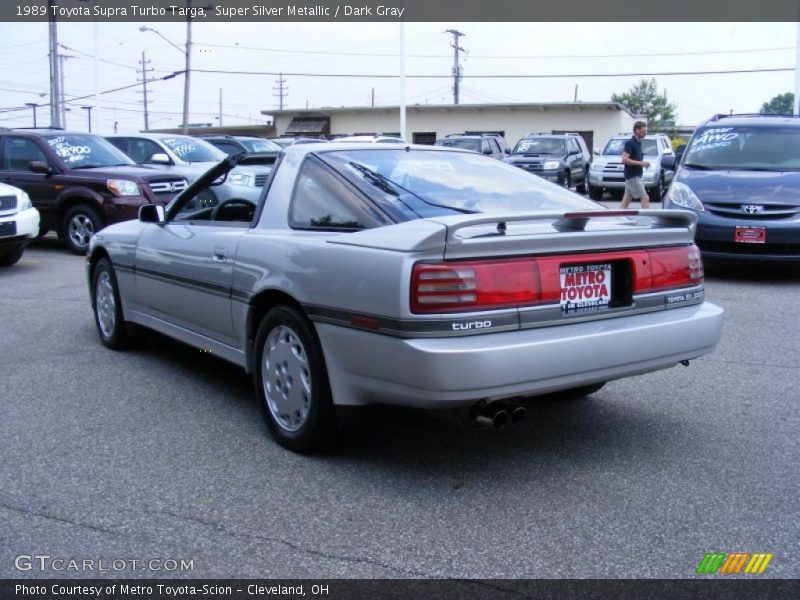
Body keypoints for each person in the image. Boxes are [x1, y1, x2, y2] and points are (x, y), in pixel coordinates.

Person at [620, 121, 651, 209]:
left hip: (636, 175)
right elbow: (624, 159)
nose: (645, 133)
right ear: (637, 130)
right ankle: (647, 220)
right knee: (645, 198)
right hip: (632, 176)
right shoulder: (630, 143)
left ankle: (617, 218)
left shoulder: (638, 143)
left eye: (645, 131)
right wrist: (640, 163)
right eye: (643, 131)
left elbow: (635, 159)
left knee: (627, 199)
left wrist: (643, 164)